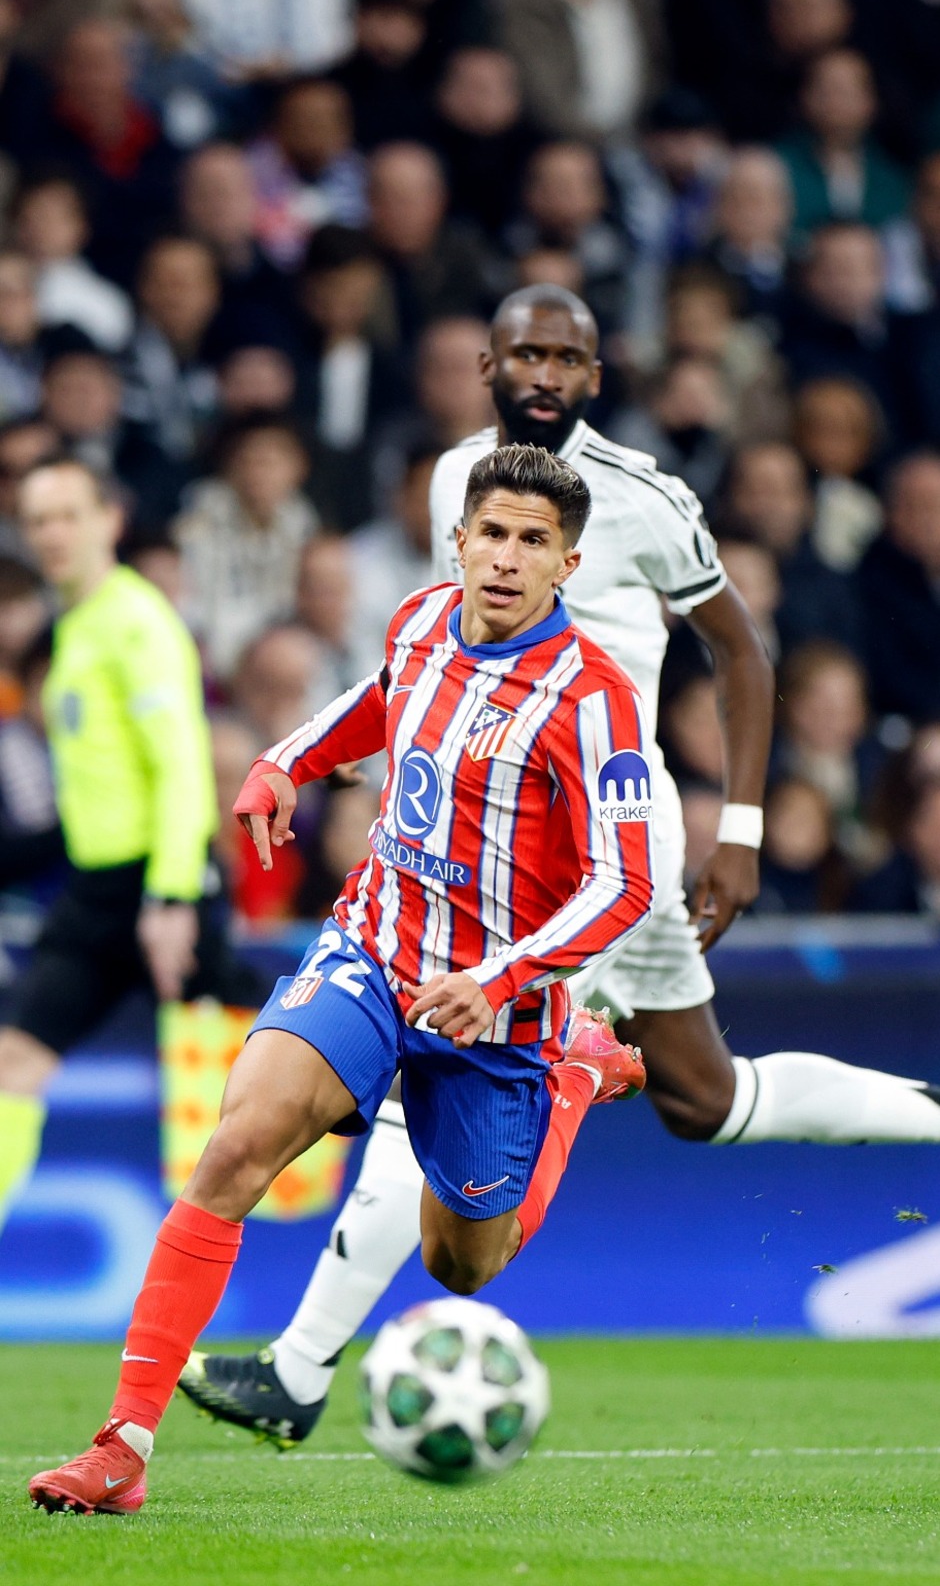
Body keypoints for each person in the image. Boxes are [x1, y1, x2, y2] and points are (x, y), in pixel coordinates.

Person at [180, 285, 940, 1451]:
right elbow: (429, 657)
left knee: (430, 1066)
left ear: (597, 374)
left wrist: (737, 828)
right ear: (485, 361)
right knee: (703, 1095)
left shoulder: (641, 498)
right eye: (525, 351)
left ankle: (295, 1365)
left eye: (567, 357)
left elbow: (737, 647)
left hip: (597, 845)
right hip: (482, 838)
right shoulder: (456, 479)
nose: (543, 372)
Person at [28, 442, 652, 1514]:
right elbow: (379, 698)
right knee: (237, 1141)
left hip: (499, 1013)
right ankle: (121, 1446)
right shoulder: (419, 620)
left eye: (531, 542)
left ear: (568, 563)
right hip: (371, 948)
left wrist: (502, 979)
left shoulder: (592, 700)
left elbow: (624, 880)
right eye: (490, 533)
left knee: (464, 1263)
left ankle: (572, 1079)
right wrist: (284, 761)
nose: (504, 558)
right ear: (456, 539)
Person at [0, 458, 260, 1248]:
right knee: (15, 1062)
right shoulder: (76, 627)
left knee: (257, 1088)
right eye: (38, 519)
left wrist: (173, 898)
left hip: (160, 882)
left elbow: (181, 764)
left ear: (109, 520)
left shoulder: (136, 623)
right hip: (96, 893)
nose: (52, 534)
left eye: (67, 515)